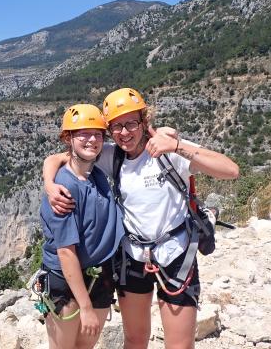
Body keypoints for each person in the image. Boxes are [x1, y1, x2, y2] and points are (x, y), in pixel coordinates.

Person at [42, 88, 239, 349]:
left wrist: (178, 146)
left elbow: (231, 170)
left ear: (144, 122)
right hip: (132, 257)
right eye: (117, 127)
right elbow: (63, 156)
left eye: (132, 123)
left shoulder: (170, 151)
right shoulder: (111, 155)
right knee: (135, 340)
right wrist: (49, 184)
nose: (125, 133)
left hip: (176, 254)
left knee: (180, 345)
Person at [39, 104, 123, 349]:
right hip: (65, 281)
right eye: (83, 133)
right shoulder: (64, 190)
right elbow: (66, 252)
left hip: (101, 275)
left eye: (97, 134)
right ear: (69, 138)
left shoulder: (95, 174)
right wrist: (85, 307)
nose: (92, 139)